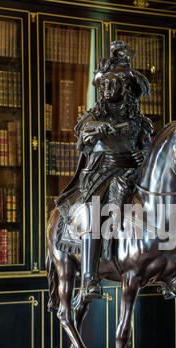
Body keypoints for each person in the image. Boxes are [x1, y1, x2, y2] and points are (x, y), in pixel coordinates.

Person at [55, 41, 153, 301]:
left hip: (133, 173)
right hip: (101, 173)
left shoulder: (139, 122)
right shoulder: (92, 116)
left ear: (126, 89)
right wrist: (99, 128)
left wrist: (141, 155)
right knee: (95, 211)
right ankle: (89, 279)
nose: (108, 89)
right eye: (105, 84)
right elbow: (83, 135)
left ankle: (163, 266)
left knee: (161, 204)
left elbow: (150, 151)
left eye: (114, 84)